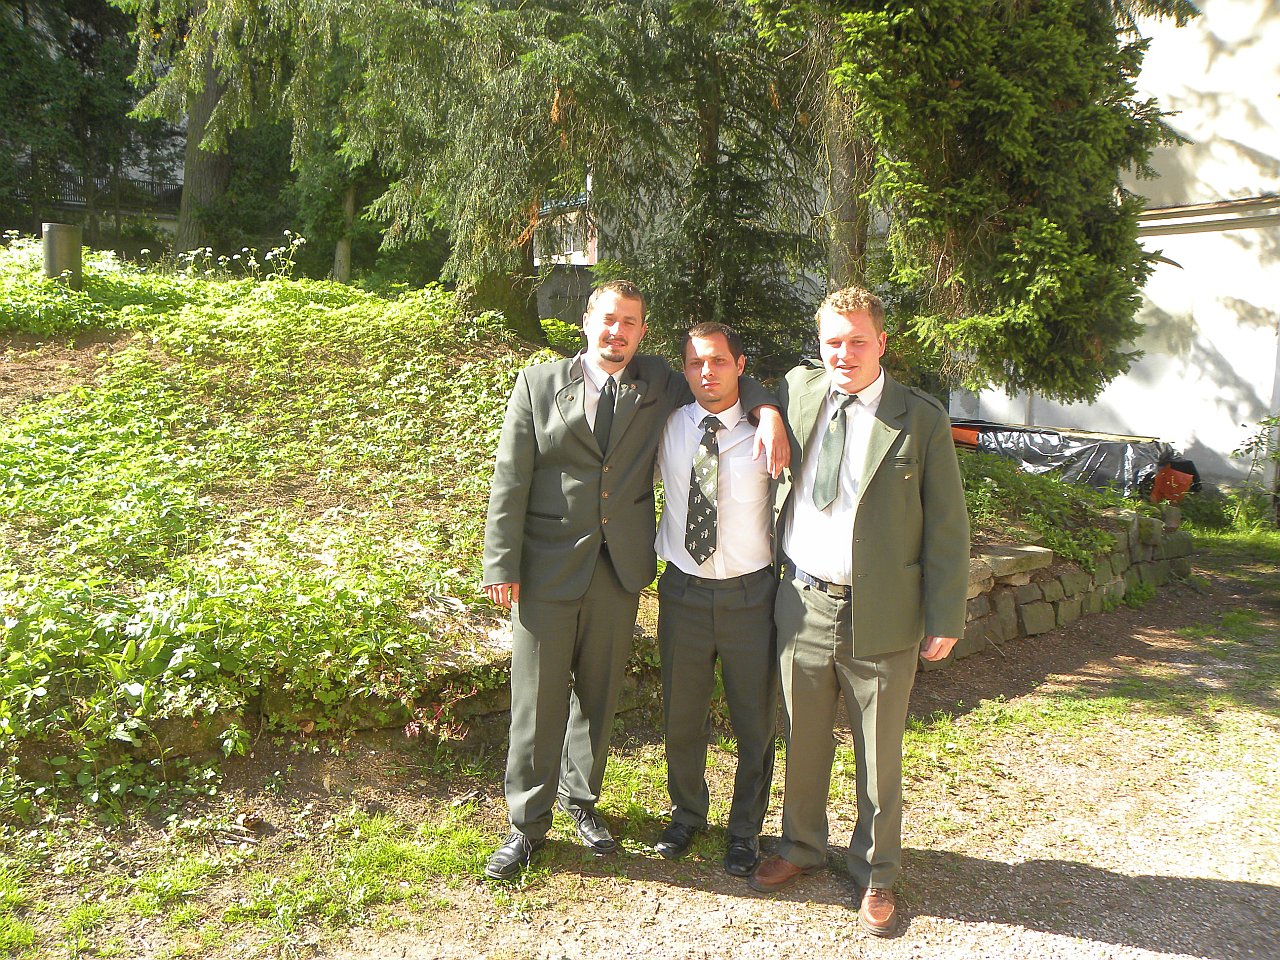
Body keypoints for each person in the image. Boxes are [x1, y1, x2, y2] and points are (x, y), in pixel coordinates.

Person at [480, 281, 787, 880]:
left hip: (619, 571)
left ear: (643, 332)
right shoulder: (538, 384)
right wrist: (501, 562)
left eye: (630, 323)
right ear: (586, 320)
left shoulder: (660, 384)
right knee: (536, 702)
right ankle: (526, 824)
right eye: (608, 319)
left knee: (598, 698)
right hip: (545, 569)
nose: (617, 331)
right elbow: (510, 477)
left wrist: (768, 410)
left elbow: (725, 378)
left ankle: (580, 800)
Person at [748, 286, 970, 938]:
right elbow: (753, 385)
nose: (843, 354)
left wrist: (945, 614)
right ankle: (801, 845)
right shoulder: (801, 390)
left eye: (857, 341)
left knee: (879, 751)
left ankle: (876, 872)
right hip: (803, 602)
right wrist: (767, 414)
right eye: (832, 342)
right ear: (819, 345)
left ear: (882, 343)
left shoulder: (919, 417)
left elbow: (947, 525)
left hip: (883, 611)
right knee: (803, 738)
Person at [651, 322, 778, 877]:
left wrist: (769, 410)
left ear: (741, 365)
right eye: (697, 362)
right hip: (683, 591)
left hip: (752, 595)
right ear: (684, 371)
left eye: (720, 360)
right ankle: (686, 814)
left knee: (754, 722)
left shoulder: (767, 430)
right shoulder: (667, 424)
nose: (708, 372)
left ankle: (745, 830)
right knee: (682, 715)